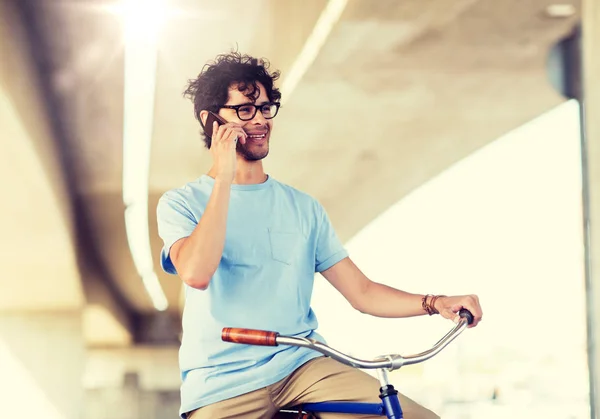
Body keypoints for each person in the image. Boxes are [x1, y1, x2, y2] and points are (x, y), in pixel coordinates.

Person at [156, 51, 483, 419]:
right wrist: (225, 178)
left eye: (265, 108)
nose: (260, 120)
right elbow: (197, 273)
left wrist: (435, 302)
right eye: (245, 110)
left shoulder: (303, 207)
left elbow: (362, 293)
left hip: (301, 366)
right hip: (222, 383)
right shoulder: (180, 203)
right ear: (211, 120)